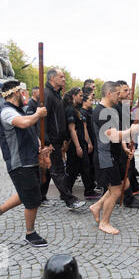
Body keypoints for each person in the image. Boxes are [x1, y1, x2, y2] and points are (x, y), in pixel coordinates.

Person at [0, 80, 49, 247]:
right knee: (33, 199)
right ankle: (30, 234)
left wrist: (39, 146)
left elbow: (28, 130)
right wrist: (38, 114)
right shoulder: (7, 112)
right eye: (22, 91)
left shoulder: (19, 110)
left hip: (29, 159)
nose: (24, 94)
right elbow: (23, 123)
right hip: (19, 162)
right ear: (16, 92)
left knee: (25, 193)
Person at [89, 81, 139, 234]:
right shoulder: (100, 112)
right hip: (105, 157)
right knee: (116, 190)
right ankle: (104, 223)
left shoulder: (111, 111)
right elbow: (112, 136)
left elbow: (118, 133)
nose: (120, 96)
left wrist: (125, 148)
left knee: (125, 184)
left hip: (114, 155)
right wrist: (130, 131)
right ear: (109, 94)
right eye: (118, 93)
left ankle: (97, 206)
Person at [40, 68, 85, 211]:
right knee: (58, 170)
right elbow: (42, 120)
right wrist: (47, 142)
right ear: (52, 78)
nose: (64, 79)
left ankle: (40, 198)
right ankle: (70, 200)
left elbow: (60, 118)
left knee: (47, 170)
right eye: (61, 76)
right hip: (51, 140)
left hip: (57, 139)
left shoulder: (56, 95)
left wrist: (64, 138)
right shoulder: (47, 94)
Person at [63, 87, 100, 200]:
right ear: (73, 96)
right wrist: (78, 147)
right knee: (72, 170)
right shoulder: (69, 110)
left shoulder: (77, 109)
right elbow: (72, 130)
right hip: (75, 145)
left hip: (81, 143)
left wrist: (87, 142)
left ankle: (88, 190)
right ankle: (66, 192)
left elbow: (83, 129)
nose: (81, 97)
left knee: (85, 168)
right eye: (79, 95)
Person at [114, 81, 139, 207]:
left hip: (124, 141)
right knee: (121, 171)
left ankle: (127, 196)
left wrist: (136, 129)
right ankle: (123, 197)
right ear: (118, 91)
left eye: (129, 91)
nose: (129, 93)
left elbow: (127, 123)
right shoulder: (115, 107)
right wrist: (125, 144)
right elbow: (118, 127)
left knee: (126, 169)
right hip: (117, 143)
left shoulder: (124, 106)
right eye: (126, 90)